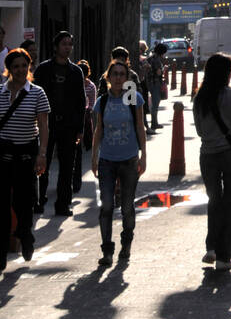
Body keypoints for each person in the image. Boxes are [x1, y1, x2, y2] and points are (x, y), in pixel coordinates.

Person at [193, 53, 231, 271]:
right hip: (230, 155)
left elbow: (200, 130)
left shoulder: (200, 97)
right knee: (230, 205)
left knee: (214, 200)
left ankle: (211, 246)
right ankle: (223, 256)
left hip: (208, 155)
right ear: (226, 73)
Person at [91, 59, 147, 267]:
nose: (117, 78)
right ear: (108, 77)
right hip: (107, 160)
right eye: (114, 74)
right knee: (106, 205)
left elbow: (140, 127)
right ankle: (107, 251)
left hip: (129, 159)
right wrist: (94, 157)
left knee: (126, 206)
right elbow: (98, 130)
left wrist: (144, 155)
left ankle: (126, 243)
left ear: (127, 78)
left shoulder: (134, 99)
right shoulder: (102, 102)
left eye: (122, 74)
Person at [0, 49, 50, 271]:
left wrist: (42, 154)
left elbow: (44, 127)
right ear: (9, 69)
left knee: (24, 201)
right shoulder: (0, 93)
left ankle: (25, 234)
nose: (20, 70)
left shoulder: (37, 93)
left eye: (24, 65)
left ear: (29, 67)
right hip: (2, 155)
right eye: (16, 66)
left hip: (27, 154)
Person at [33, 31, 87, 217]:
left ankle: (63, 204)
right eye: (64, 44)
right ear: (56, 46)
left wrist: (80, 129)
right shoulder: (43, 69)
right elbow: (35, 98)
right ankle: (38, 201)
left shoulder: (76, 71)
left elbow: (81, 102)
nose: (67, 47)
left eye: (70, 44)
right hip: (46, 124)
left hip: (69, 126)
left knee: (66, 167)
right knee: (42, 163)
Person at [145, 43, 167, 133]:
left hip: (149, 82)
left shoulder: (150, 58)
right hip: (155, 83)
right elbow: (158, 73)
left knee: (153, 103)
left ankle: (154, 122)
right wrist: (164, 69)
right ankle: (154, 123)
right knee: (155, 103)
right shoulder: (157, 60)